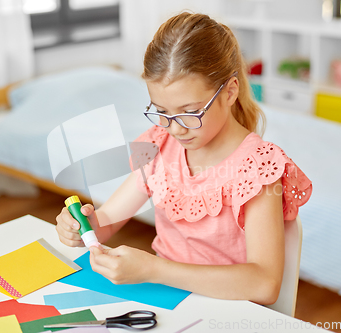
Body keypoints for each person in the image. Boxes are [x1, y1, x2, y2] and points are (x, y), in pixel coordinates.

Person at [55, 12, 312, 305]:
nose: (175, 128)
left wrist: (155, 269)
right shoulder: (159, 143)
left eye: (189, 113)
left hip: (227, 310)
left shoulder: (258, 167)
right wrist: (83, 228)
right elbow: (108, 221)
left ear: (229, 92)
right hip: (165, 300)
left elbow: (264, 284)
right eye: (162, 112)